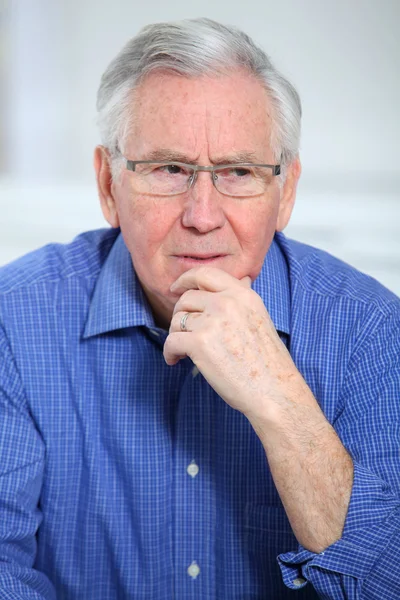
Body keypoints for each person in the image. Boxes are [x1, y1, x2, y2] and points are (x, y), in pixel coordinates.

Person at [0, 17, 399, 600]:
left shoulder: (372, 330)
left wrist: (279, 401)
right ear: (109, 185)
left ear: (285, 193)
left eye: (239, 172)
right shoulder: (14, 321)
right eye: (169, 169)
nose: (202, 215)